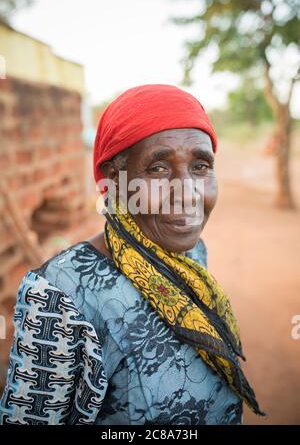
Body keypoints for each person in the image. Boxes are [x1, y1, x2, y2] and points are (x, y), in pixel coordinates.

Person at [0, 84, 264, 425]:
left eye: (200, 166)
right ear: (115, 180)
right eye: (158, 169)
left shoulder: (191, 254)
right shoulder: (60, 294)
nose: (187, 193)